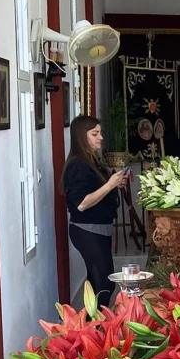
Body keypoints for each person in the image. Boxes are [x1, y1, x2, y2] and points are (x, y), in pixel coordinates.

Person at [61, 116, 126, 307]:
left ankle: (89, 328)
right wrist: (109, 185)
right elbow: (81, 203)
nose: (101, 138)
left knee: (96, 282)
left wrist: (114, 184)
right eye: (95, 134)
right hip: (87, 230)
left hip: (99, 228)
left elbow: (97, 190)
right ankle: (95, 329)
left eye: (100, 133)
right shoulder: (77, 165)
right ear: (82, 136)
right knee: (104, 283)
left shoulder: (91, 160)